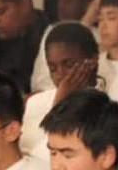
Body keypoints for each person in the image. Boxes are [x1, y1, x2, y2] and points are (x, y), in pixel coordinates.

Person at [21, 22, 99, 160]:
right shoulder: (36, 103)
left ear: (92, 60)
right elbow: (28, 157)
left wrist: (60, 107)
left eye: (68, 65)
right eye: (53, 68)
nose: (60, 74)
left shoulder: (105, 104)